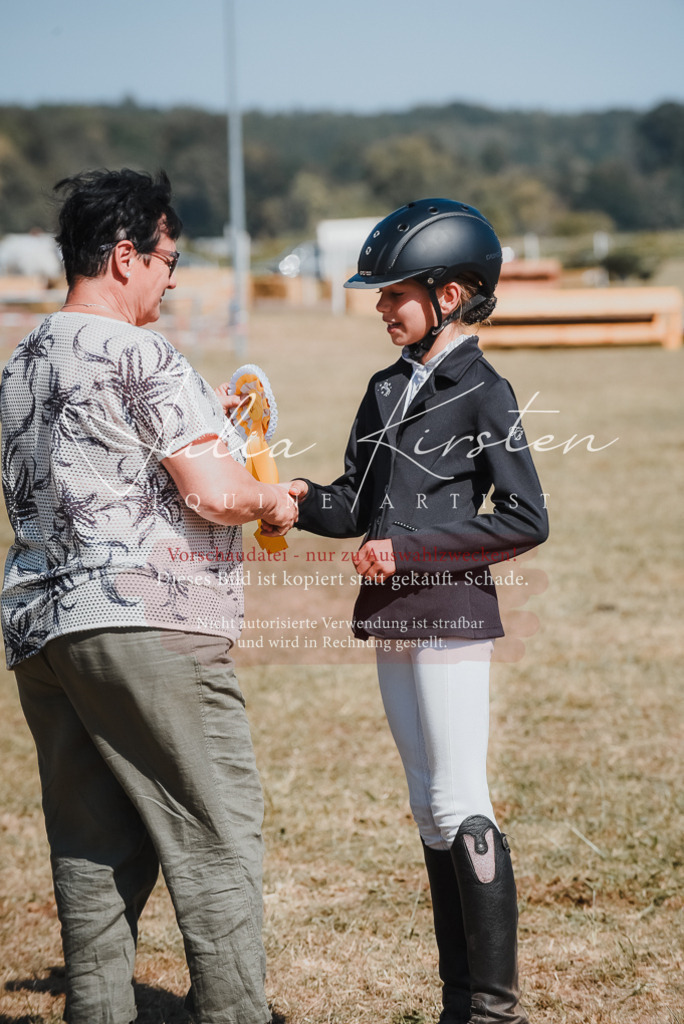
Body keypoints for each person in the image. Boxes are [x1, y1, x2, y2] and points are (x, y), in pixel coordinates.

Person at [0, 168, 297, 1024]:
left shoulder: (21, 358)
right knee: (216, 840)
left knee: (91, 853)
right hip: (148, 621)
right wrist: (272, 497)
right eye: (170, 258)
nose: (174, 276)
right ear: (126, 256)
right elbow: (215, 491)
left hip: (42, 629)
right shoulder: (139, 351)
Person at [288, 199, 548, 1024]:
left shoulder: (485, 389)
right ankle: (456, 1001)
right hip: (392, 614)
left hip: (451, 608)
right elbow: (353, 505)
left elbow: (524, 517)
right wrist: (291, 500)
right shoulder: (384, 387)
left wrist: (413, 549)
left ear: (453, 293)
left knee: (458, 797)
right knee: (424, 807)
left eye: (394, 291)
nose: (379, 305)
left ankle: (494, 1010)